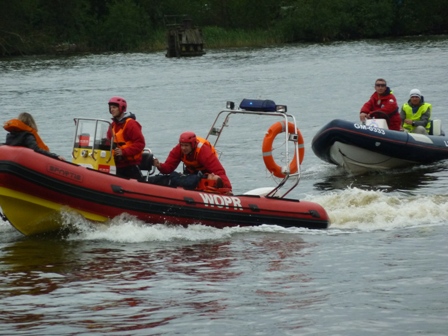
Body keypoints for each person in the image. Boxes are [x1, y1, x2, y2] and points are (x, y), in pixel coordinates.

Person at [149, 131, 232, 191]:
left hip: (205, 172)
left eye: (186, 146)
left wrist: (228, 188)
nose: (183, 148)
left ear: (192, 145)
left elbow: (219, 171)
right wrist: (159, 165)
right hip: (191, 172)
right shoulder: (178, 149)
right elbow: (168, 168)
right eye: (182, 145)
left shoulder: (203, 151)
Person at [106, 96, 145, 179]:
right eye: (110, 108)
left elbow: (140, 144)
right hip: (116, 165)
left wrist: (123, 152)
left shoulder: (131, 124)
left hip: (130, 166)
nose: (112, 109)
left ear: (121, 108)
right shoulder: (112, 126)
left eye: (114, 107)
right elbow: (108, 142)